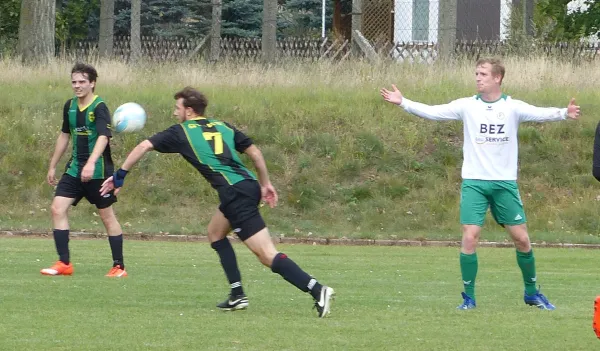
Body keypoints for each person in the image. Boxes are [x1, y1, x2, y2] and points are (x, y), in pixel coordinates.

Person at [99, 86, 335, 317]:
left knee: (266, 254)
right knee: (215, 233)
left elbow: (143, 146)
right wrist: (265, 183)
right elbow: (255, 153)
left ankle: (316, 288)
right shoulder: (223, 126)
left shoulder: (181, 131)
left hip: (235, 194)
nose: (174, 113)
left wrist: (120, 177)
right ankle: (237, 293)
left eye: (176, 108)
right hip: (246, 186)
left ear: (189, 111)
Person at [380, 57, 580, 310]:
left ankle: (531, 293)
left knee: (522, 240)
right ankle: (469, 298)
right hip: (474, 182)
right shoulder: (466, 106)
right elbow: (433, 112)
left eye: (483, 74)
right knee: (470, 237)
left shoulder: (512, 107)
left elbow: (540, 112)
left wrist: (564, 113)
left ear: (497, 78)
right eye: (476, 73)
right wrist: (404, 103)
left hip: (504, 183)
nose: (478, 78)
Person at [42, 63, 127, 278]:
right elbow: (64, 135)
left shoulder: (99, 107)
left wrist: (91, 163)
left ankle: (119, 267)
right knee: (57, 209)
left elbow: (103, 136)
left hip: (98, 172)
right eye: (74, 82)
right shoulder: (69, 106)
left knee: (106, 216)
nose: (77, 86)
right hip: (74, 170)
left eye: (82, 82)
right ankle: (64, 263)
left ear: (92, 83)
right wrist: (53, 165)